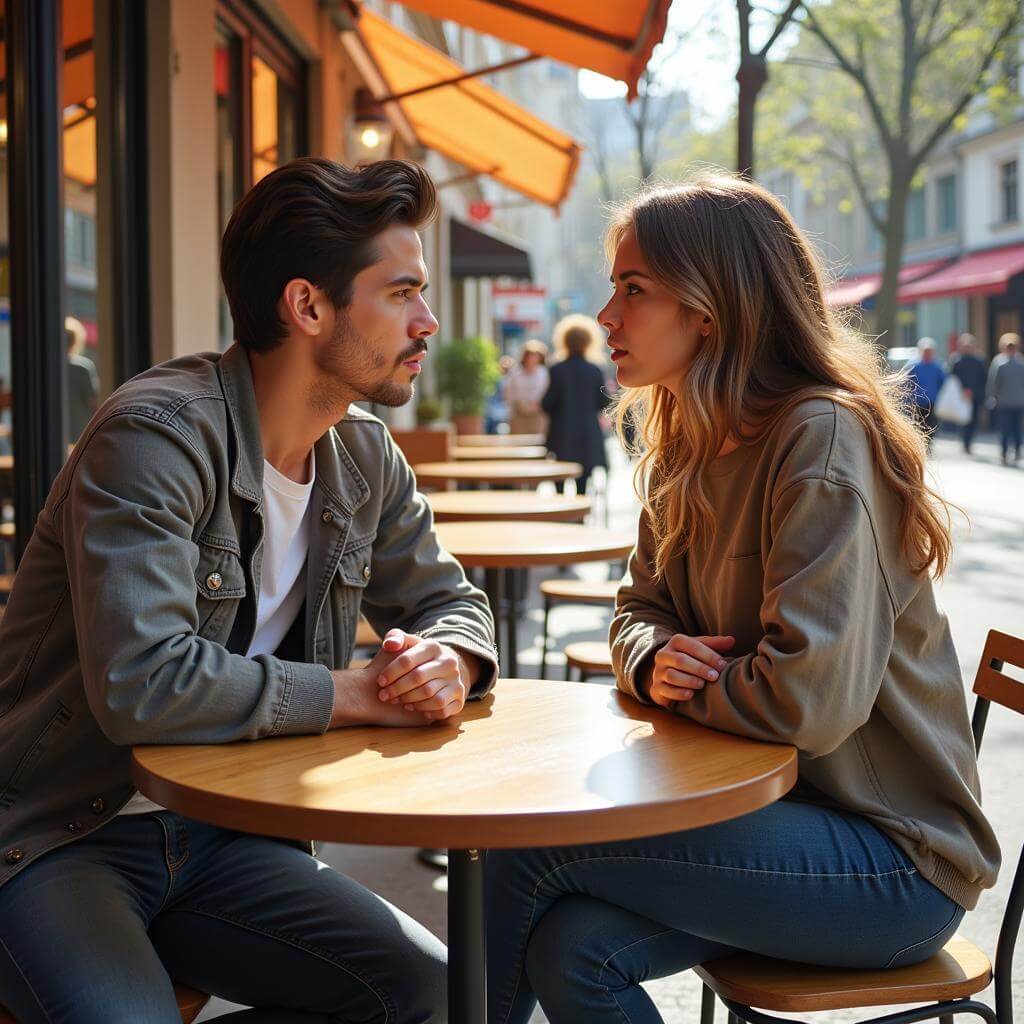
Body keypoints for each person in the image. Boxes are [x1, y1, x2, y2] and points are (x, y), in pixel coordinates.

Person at [485, 174, 999, 1024]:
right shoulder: (683, 438)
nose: (607, 316)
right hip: (771, 817)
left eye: (633, 289)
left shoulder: (821, 436)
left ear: (709, 310)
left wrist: (690, 682)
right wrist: (652, 662)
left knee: (531, 845)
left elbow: (807, 701)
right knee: (570, 947)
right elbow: (635, 614)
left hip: (894, 861)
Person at [0, 158, 499, 1023]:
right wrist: (362, 694)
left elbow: (451, 602)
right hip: (54, 838)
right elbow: (143, 683)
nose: (428, 322)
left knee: (429, 990)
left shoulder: (365, 454)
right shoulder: (154, 437)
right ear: (308, 307)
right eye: (403, 292)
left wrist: (450, 658)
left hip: (224, 838)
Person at [542, 314, 609, 495]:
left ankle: (562, 518)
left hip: (561, 435)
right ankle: (579, 520)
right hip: (587, 436)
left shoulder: (557, 370)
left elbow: (547, 404)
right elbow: (604, 403)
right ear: (590, 341)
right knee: (582, 485)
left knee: (559, 484)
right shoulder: (595, 370)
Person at [987, 332, 1024, 466]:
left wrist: (991, 397)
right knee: (1017, 428)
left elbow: (993, 383)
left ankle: (1004, 453)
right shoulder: (1021, 363)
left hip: (1004, 402)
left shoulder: (999, 363)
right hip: (1019, 401)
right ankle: (1018, 452)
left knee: (1004, 429)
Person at [948, 333, 987, 454]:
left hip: (975, 395)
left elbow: (983, 378)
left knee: (973, 419)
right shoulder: (956, 361)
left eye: (969, 345)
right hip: (961, 396)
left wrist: (973, 391)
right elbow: (952, 378)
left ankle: (969, 442)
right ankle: (965, 442)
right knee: (963, 419)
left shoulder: (980, 361)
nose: (967, 348)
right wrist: (962, 390)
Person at [64, 315, 99, 445]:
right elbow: (94, 401)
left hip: (55, 426)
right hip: (80, 428)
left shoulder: (49, 368)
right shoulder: (83, 367)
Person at [906, 337, 945, 449]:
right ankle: (919, 446)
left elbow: (943, 382)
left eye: (930, 352)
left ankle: (928, 446)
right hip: (917, 401)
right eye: (925, 351)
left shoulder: (937, 367)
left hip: (932, 401)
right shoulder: (914, 366)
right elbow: (907, 382)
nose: (928, 354)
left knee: (930, 425)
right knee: (917, 424)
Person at [504, 339, 549, 435]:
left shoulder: (544, 373)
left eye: (536, 356)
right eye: (531, 356)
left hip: (538, 415)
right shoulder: (515, 374)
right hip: (519, 415)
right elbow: (509, 394)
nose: (533, 359)